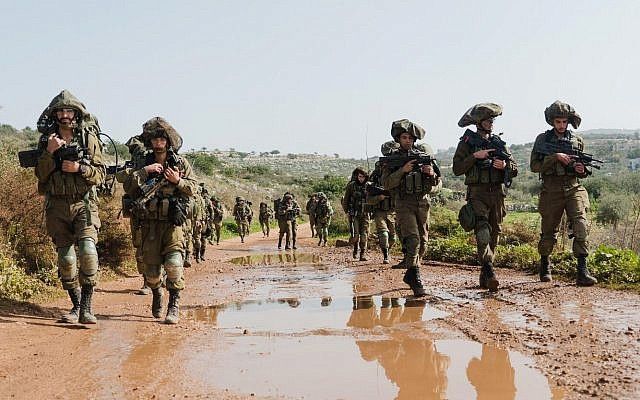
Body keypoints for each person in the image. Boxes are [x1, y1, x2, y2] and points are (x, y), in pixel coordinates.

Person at [35, 90, 106, 324]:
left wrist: (79, 169)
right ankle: (76, 306)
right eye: (61, 111)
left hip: (83, 203)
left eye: (69, 111)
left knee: (88, 252)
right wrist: (50, 152)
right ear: (55, 114)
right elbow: (40, 174)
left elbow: (101, 174)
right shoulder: (48, 139)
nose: (65, 115)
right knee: (66, 260)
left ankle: (87, 307)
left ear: (76, 113)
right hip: (56, 205)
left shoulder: (88, 139)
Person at [121, 117, 196, 324]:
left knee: (173, 264)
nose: (158, 142)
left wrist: (177, 180)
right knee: (151, 274)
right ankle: (157, 293)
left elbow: (193, 189)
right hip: (149, 224)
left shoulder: (180, 163)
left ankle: (174, 304)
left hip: (172, 223)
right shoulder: (142, 161)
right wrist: (146, 171)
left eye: (162, 138)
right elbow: (128, 186)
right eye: (154, 138)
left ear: (168, 140)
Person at [530, 101, 597, 286]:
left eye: (564, 121)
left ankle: (582, 270)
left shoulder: (577, 141)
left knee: (581, 225)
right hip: (551, 189)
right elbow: (534, 166)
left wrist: (580, 168)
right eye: (558, 121)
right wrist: (555, 157)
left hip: (573, 187)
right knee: (549, 231)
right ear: (552, 121)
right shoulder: (542, 140)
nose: (561, 125)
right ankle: (545, 265)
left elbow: (582, 172)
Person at [452, 103, 518, 291]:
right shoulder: (466, 142)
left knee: (495, 233)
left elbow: (514, 168)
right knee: (482, 231)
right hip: (477, 192)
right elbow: (457, 169)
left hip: (497, 193)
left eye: (492, 120)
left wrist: (504, 167)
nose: (491, 123)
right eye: (488, 120)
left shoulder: (499, 143)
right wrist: (475, 156)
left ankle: (485, 270)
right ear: (478, 122)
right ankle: (489, 269)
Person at [382, 119, 442, 297]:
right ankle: (415, 277)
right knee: (413, 240)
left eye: (410, 138)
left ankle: (410, 272)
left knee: (423, 243)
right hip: (404, 204)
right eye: (404, 137)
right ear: (398, 139)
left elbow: (437, 184)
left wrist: (430, 174)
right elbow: (386, 184)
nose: (407, 141)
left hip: (423, 203)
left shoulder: (424, 157)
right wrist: (402, 170)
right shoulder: (392, 160)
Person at [117, 134, 152, 293]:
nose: (134, 152)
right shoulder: (133, 169)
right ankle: (146, 281)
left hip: (156, 212)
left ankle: (160, 276)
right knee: (140, 247)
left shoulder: (157, 163)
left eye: (135, 149)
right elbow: (124, 182)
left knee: (158, 246)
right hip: (138, 212)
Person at [366, 142, 399, 264]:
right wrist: (379, 197)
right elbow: (368, 198)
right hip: (379, 211)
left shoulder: (399, 169)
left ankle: (387, 250)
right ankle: (385, 255)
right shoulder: (375, 174)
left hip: (393, 210)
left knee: (393, 238)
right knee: (383, 234)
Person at [342, 168, 371, 261]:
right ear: (357, 177)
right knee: (356, 234)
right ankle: (355, 249)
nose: (361, 179)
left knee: (364, 234)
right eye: (359, 176)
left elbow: (373, 200)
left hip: (365, 214)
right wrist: (347, 212)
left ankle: (362, 254)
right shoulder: (351, 186)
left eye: (363, 177)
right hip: (354, 214)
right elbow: (346, 200)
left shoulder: (369, 186)